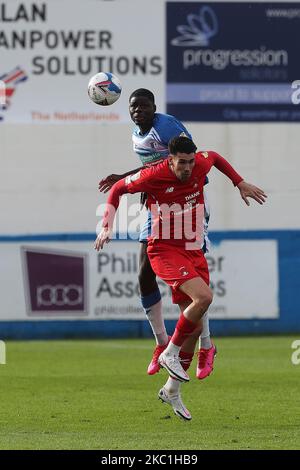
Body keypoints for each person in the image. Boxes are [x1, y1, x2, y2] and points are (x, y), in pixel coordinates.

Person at [95, 136, 267, 420]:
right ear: (170, 159)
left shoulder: (201, 162)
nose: (187, 168)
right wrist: (106, 227)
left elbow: (216, 158)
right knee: (205, 298)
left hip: (192, 247)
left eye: (190, 161)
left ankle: (172, 389)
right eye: (181, 163)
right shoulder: (154, 174)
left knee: (196, 328)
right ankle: (168, 353)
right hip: (164, 249)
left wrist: (239, 182)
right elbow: (116, 189)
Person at [98, 88, 216, 381]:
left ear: (154, 107)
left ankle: (206, 346)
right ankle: (162, 343)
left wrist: (146, 184)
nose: (139, 110)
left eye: (144, 105)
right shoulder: (137, 133)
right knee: (144, 274)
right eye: (134, 106)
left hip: (188, 204)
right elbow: (155, 167)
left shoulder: (167, 126)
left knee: (198, 286)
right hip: (160, 207)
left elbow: (184, 159)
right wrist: (128, 179)